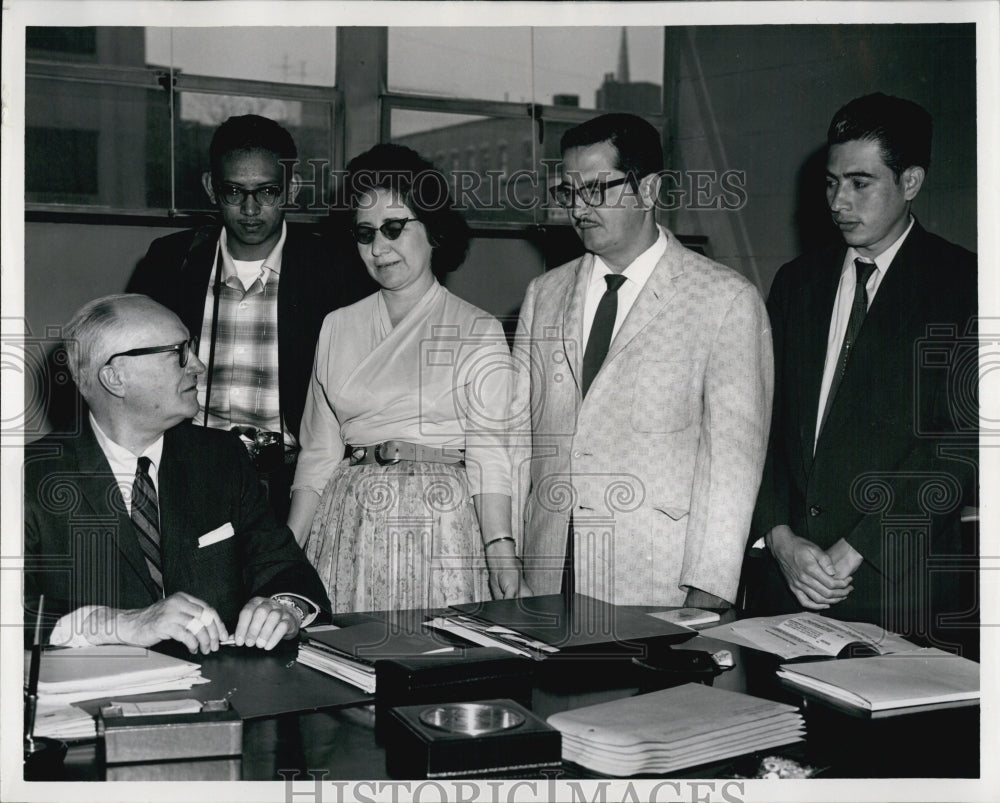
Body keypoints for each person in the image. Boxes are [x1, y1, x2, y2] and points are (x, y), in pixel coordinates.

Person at [512, 113, 773, 607]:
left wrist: (708, 592)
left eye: (597, 188)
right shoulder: (543, 294)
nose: (579, 207)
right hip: (546, 572)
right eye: (569, 192)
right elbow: (517, 441)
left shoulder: (725, 300)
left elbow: (733, 466)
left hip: (657, 579)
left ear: (649, 190)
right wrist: (509, 561)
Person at [750, 93, 978, 657]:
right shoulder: (795, 283)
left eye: (860, 183)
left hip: (900, 590)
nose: (838, 202)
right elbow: (762, 424)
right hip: (787, 585)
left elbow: (963, 447)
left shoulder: (966, 283)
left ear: (912, 181)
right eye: (830, 183)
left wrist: (854, 550)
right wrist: (781, 539)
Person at [24, 294, 331, 653]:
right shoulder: (29, 478)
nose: (199, 366)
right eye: (179, 353)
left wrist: (284, 608)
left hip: (225, 693)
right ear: (114, 378)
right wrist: (120, 623)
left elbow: (286, 570)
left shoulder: (221, 458)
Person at [287, 144, 521, 612]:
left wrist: (501, 551)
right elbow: (318, 453)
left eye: (394, 228)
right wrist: (285, 553)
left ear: (433, 229)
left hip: (441, 523)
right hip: (347, 523)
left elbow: (490, 454)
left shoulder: (477, 329)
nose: (378, 248)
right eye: (365, 233)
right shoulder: (337, 325)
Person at [128, 114, 374, 523]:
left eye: (267, 192)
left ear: (291, 188)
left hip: (294, 488)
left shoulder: (336, 272)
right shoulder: (169, 262)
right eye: (233, 192)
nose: (250, 209)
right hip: (188, 477)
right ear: (210, 187)